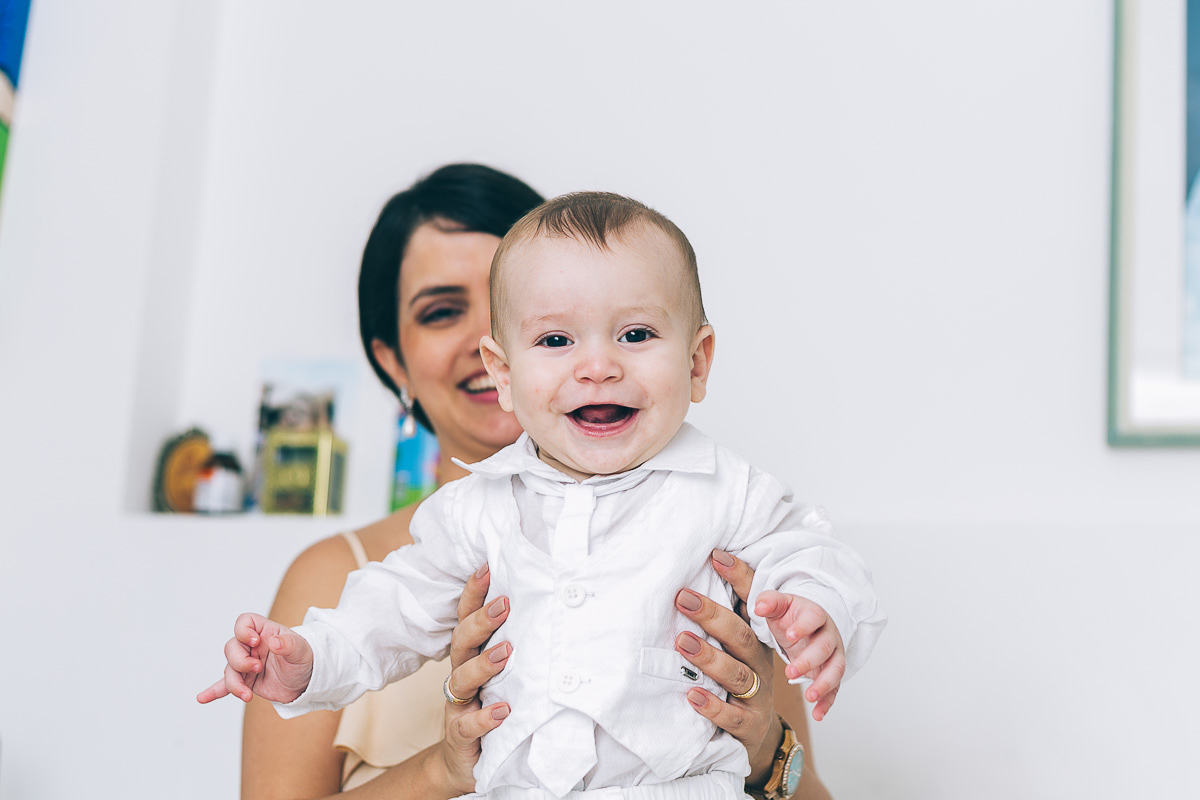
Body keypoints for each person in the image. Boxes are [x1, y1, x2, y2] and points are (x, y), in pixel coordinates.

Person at [203, 188, 885, 799]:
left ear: (697, 361)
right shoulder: (471, 515)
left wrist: (815, 613)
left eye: (636, 334)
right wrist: (312, 661)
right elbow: (387, 611)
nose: (597, 365)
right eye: (555, 338)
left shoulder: (726, 494)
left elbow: (806, 552)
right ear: (504, 368)